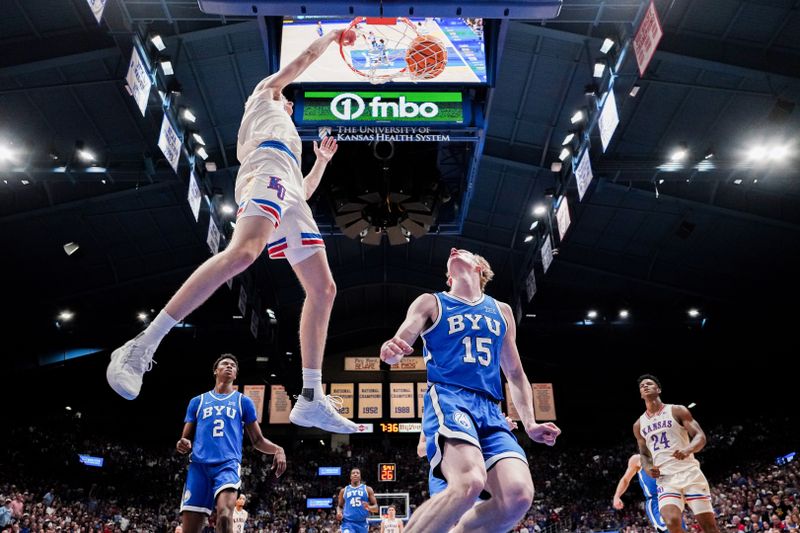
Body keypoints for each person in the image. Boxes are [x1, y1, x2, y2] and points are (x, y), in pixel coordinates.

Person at [105, 28, 359, 434]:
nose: (290, 99)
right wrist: (333, 36)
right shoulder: (266, 95)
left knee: (323, 289)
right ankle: (141, 345)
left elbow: (302, 193)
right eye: (288, 95)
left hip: (288, 182)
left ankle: (311, 397)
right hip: (266, 167)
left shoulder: (290, 135)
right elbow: (304, 58)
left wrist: (322, 162)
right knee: (243, 254)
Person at [380, 248, 561, 533]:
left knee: (518, 496)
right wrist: (392, 351)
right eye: (450, 255)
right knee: (469, 482)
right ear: (449, 277)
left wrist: (530, 423)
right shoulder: (431, 302)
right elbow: (401, 339)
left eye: (463, 251)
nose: (453, 249)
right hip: (451, 397)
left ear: (480, 268)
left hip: (491, 410)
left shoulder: (501, 311)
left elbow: (514, 373)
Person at [177, 354, 287, 533]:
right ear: (216, 371)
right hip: (198, 467)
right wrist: (183, 444)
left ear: (235, 374)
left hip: (227, 466)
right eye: (225, 364)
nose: (229, 366)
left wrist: (278, 449)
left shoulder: (243, 401)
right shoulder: (197, 401)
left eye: (233, 366)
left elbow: (258, 441)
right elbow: (185, 438)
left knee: (225, 515)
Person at [633, 374, 720, 533]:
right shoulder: (639, 424)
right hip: (665, 478)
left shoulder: (677, 410)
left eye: (649, 384)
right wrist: (647, 468)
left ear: (658, 389)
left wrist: (688, 449)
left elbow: (700, 436)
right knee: (671, 521)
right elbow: (644, 454)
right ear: (640, 394)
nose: (645, 386)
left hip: (689, 472)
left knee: (709, 527)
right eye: (642, 386)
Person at [613, 454, 685, 532]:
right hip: (655, 501)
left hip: (672, 498)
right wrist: (617, 496)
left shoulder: (667, 455)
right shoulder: (638, 459)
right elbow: (625, 479)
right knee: (672, 527)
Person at [336, 468, 378, 533]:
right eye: (353, 473)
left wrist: (369, 507)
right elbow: (339, 506)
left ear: (360, 476)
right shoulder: (343, 491)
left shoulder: (368, 489)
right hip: (348, 523)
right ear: (350, 477)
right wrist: (339, 513)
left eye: (357, 473)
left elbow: (376, 508)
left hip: (362, 523)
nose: (355, 474)